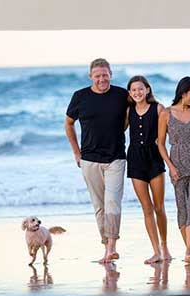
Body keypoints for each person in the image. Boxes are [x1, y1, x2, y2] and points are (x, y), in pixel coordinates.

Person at [65, 58, 130, 264]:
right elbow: (68, 123)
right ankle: (106, 246)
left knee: (112, 202)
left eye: (105, 74)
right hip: (89, 159)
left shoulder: (121, 95)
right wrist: (77, 152)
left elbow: (133, 114)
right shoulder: (80, 96)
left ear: (111, 73)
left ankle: (112, 247)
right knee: (99, 206)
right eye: (97, 76)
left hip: (116, 157)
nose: (102, 79)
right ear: (90, 77)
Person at [157, 77, 190, 264]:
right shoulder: (165, 114)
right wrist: (170, 167)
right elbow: (161, 144)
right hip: (177, 167)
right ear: (183, 92)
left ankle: (188, 251)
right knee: (183, 210)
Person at [125, 75, 171, 265]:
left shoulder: (158, 108)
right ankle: (156, 251)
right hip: (135, 160)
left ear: (148, 90)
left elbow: (169, 131)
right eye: (134, 90)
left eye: (140, 89)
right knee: (146, 208)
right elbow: (115, 131)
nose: (137, 92)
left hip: (154, 159)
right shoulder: (129, 111)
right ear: (130, 93)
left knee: (159, 207)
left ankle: (165, 246)